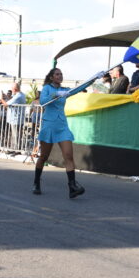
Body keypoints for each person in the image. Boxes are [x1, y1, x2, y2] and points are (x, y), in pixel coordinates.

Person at [33, 67, 99, 198]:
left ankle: (72, 186)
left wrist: (93, 79)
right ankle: (36, 182)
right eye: (57, 74)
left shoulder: (64, 90)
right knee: (43, 157)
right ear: (51, 77)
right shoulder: (47, 88)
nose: (60, 76)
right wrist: (55, 95)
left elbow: (79, 88)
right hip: (49, 126)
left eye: (61, 74)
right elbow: (43, 102)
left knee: (68, 156)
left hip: (62, 126)